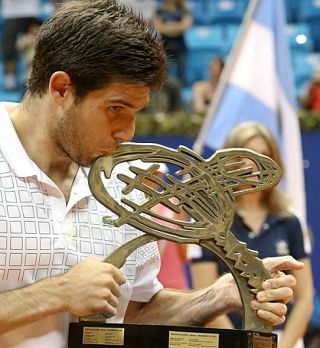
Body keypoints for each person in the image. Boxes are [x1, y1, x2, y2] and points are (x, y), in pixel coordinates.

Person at [0, 1, 303, 347]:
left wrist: (219, 295)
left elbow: (134, 315)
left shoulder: (126, 183)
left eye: (136, 113)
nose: (127, 132)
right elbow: (68, 295)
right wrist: (57, 293)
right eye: (115, 109)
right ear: (61, 89)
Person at [190, 121, 314, 348]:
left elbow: (305, 297)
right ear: (229, 162)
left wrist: (284, 345)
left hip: (284, 341)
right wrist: (238, 344)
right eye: (248, 154)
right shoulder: (208, 220)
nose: (256, 164)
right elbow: (203, 296)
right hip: (226, 341)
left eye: (264, 154)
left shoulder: (290, 219)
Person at [1, 0, 41, 91]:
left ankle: (33, 78)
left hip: (31, 13)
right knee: (8, 51)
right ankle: (10, 82)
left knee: (38, 48)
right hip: (11, 15)